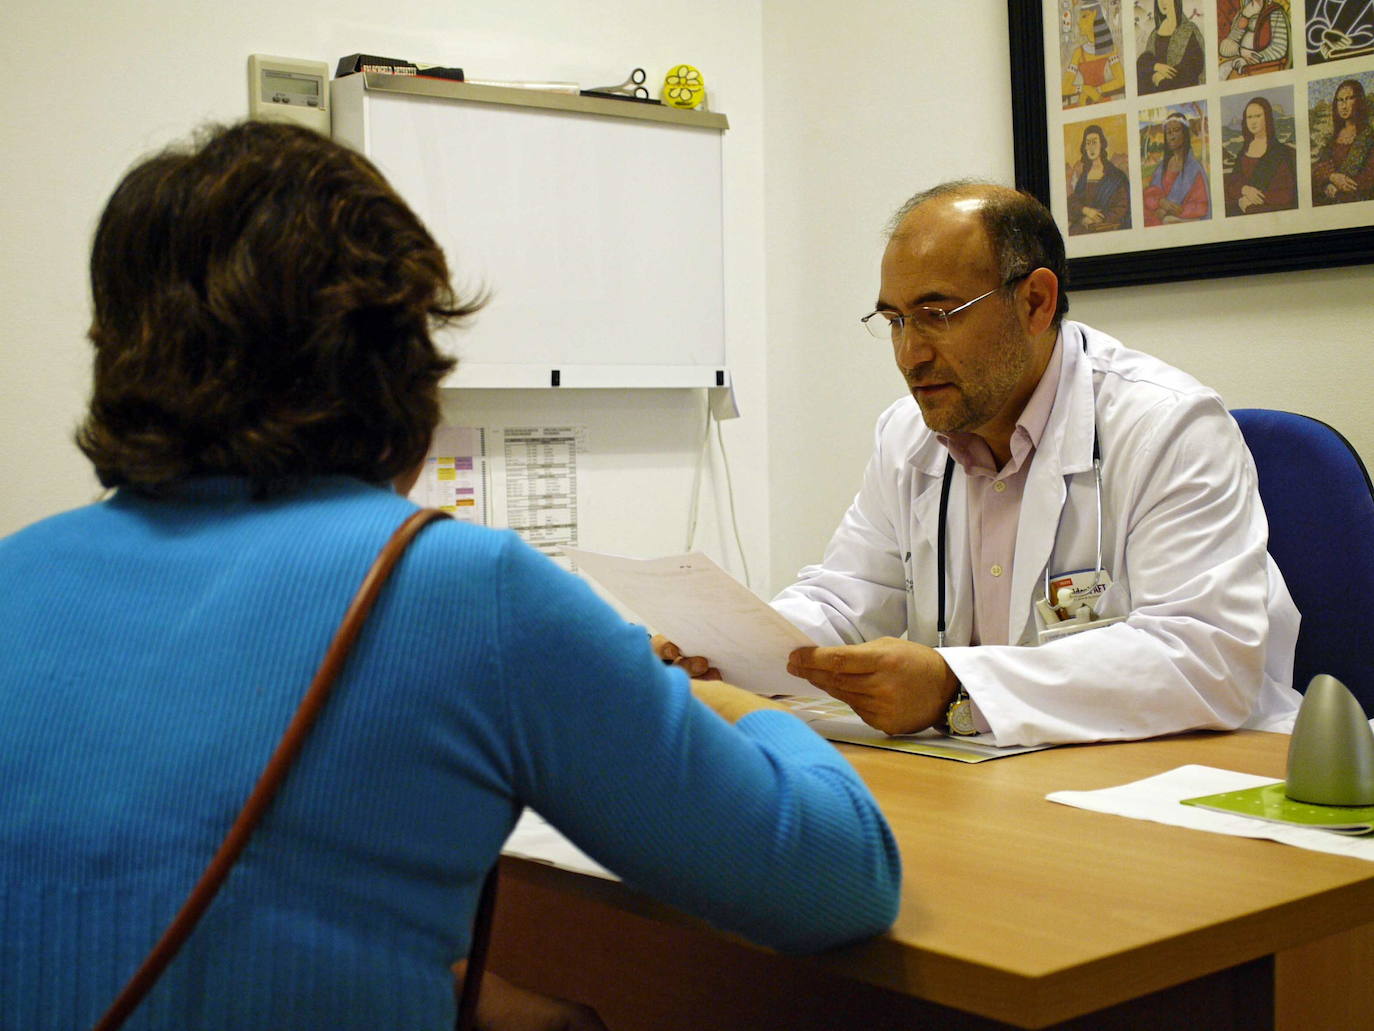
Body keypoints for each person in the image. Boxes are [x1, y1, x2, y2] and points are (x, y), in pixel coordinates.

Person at [0, 121, 900, 1031]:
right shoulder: (461, 591)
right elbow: (838, 882)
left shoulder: (17, 574)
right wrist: (751, 711)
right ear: (396, 357)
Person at [664, 182, 1301, 748]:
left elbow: (1205, 658)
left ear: (1036, 303)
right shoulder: (906, 436)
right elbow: (847, 599)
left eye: (937, 316)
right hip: (994, 774)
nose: (910, 355)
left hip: (1194, 777)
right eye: (894, 320)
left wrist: (953, 687)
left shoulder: (1168, 425)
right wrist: (716, 649)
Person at [1223, 96, 1297, 215]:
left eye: (1258, 116)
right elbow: (1232, 184)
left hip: (1271, 211)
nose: (1253, 121)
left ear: (1267, 118)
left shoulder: (1280, 152)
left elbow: (1287, 193)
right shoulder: (1243, 151)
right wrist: (1245, 190)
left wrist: (1253, 200)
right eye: (1249, 117)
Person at [1312, 78, 1374, 205]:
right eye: (1340, 100)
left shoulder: (1369, 136)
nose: (1344, 105)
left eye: (1349, 98)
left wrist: (1338, 189)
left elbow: (1369, 176)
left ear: (1359, 101)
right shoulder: (1332, 139)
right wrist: (1331, 178)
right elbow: (1318, 168)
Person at [1144, 112, 1211, 224]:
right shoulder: (1161, 168)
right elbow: (1150, 194)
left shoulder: (1194, 168)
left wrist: (1169, 211)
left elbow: (1201, 205)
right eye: (1169, 133)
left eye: (1176, 130)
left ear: (1185, 133)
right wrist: (1160, 202)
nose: (1172, 136)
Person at [1067, 124, 1131, 233]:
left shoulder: (1116, 176)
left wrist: (1097, 219)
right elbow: (1073, 201)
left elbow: (1122, 207)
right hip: (1084, 224)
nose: (1091, 147)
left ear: (1102, 144)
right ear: (1085, 147)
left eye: (1094, 142)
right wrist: (1086, 211)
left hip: (1106, 227)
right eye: (1088, 143)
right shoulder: (1084, 176)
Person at [1061, 2, 1125, 107]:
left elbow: (1120, 80)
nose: (1079, 22)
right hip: (1084, 101)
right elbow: (1064, 88)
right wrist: (1084, 89)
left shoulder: (1110, 48)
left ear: (1095, 15)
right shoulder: (1079, 52)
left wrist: (1097, 90)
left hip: (1103, 100)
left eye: (1084, 16)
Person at [1136, 0, 1205, 94]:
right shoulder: (1155, 33)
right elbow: (1144, 60)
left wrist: (1164, 79)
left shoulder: (1188, 30)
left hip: (1179, 87)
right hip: (1156, 87)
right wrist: (1156, 68)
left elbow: (1194, 65)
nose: (1163, 3)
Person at [1219, 0, 1291, 79]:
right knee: (1222, 71)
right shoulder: (1245, 12)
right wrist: (1241, 51)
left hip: (1265, 66)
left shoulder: (1275, 12)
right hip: (1240, 62)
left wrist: (1249, 60)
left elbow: (1278, 48)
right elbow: (1224, 46)